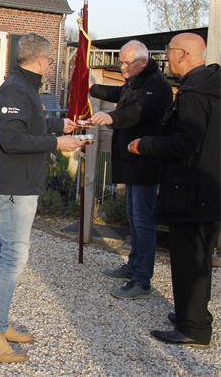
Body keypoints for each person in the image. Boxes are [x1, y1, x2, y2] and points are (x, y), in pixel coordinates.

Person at [0, 32, 83, 363]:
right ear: (41, 60)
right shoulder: (14, 90)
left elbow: (29, 122)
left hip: (19, 184)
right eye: (50, 60)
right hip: (14, 186)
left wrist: (58, 125)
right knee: (13, 257)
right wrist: (56, 144)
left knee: (3, 253)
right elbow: (12, 140)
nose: (50, 65)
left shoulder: (23, 89)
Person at [127, 32, 219, 346]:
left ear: (183, 54)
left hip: (190, 188)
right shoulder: (212, 85)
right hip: (211, 187)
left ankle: (192, 328)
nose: (166, 56)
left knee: (188, 259)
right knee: (200, 257)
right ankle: (192, 315)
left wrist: (146, 145)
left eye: (169, 50)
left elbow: (184, 143)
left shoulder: (194, 93)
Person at [89, 40, 173, 299]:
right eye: (121, 62)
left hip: (145, 163)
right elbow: (121, 95)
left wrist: (112, 117)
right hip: (131, 163)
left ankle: (142, 280)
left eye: (126, 63)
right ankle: (134, 265)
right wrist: (92, 87)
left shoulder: (157, 86)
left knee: (143, 221)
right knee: (133, 216)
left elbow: (137, 112)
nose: (122, 67)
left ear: (142, 62)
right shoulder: (136, 82)